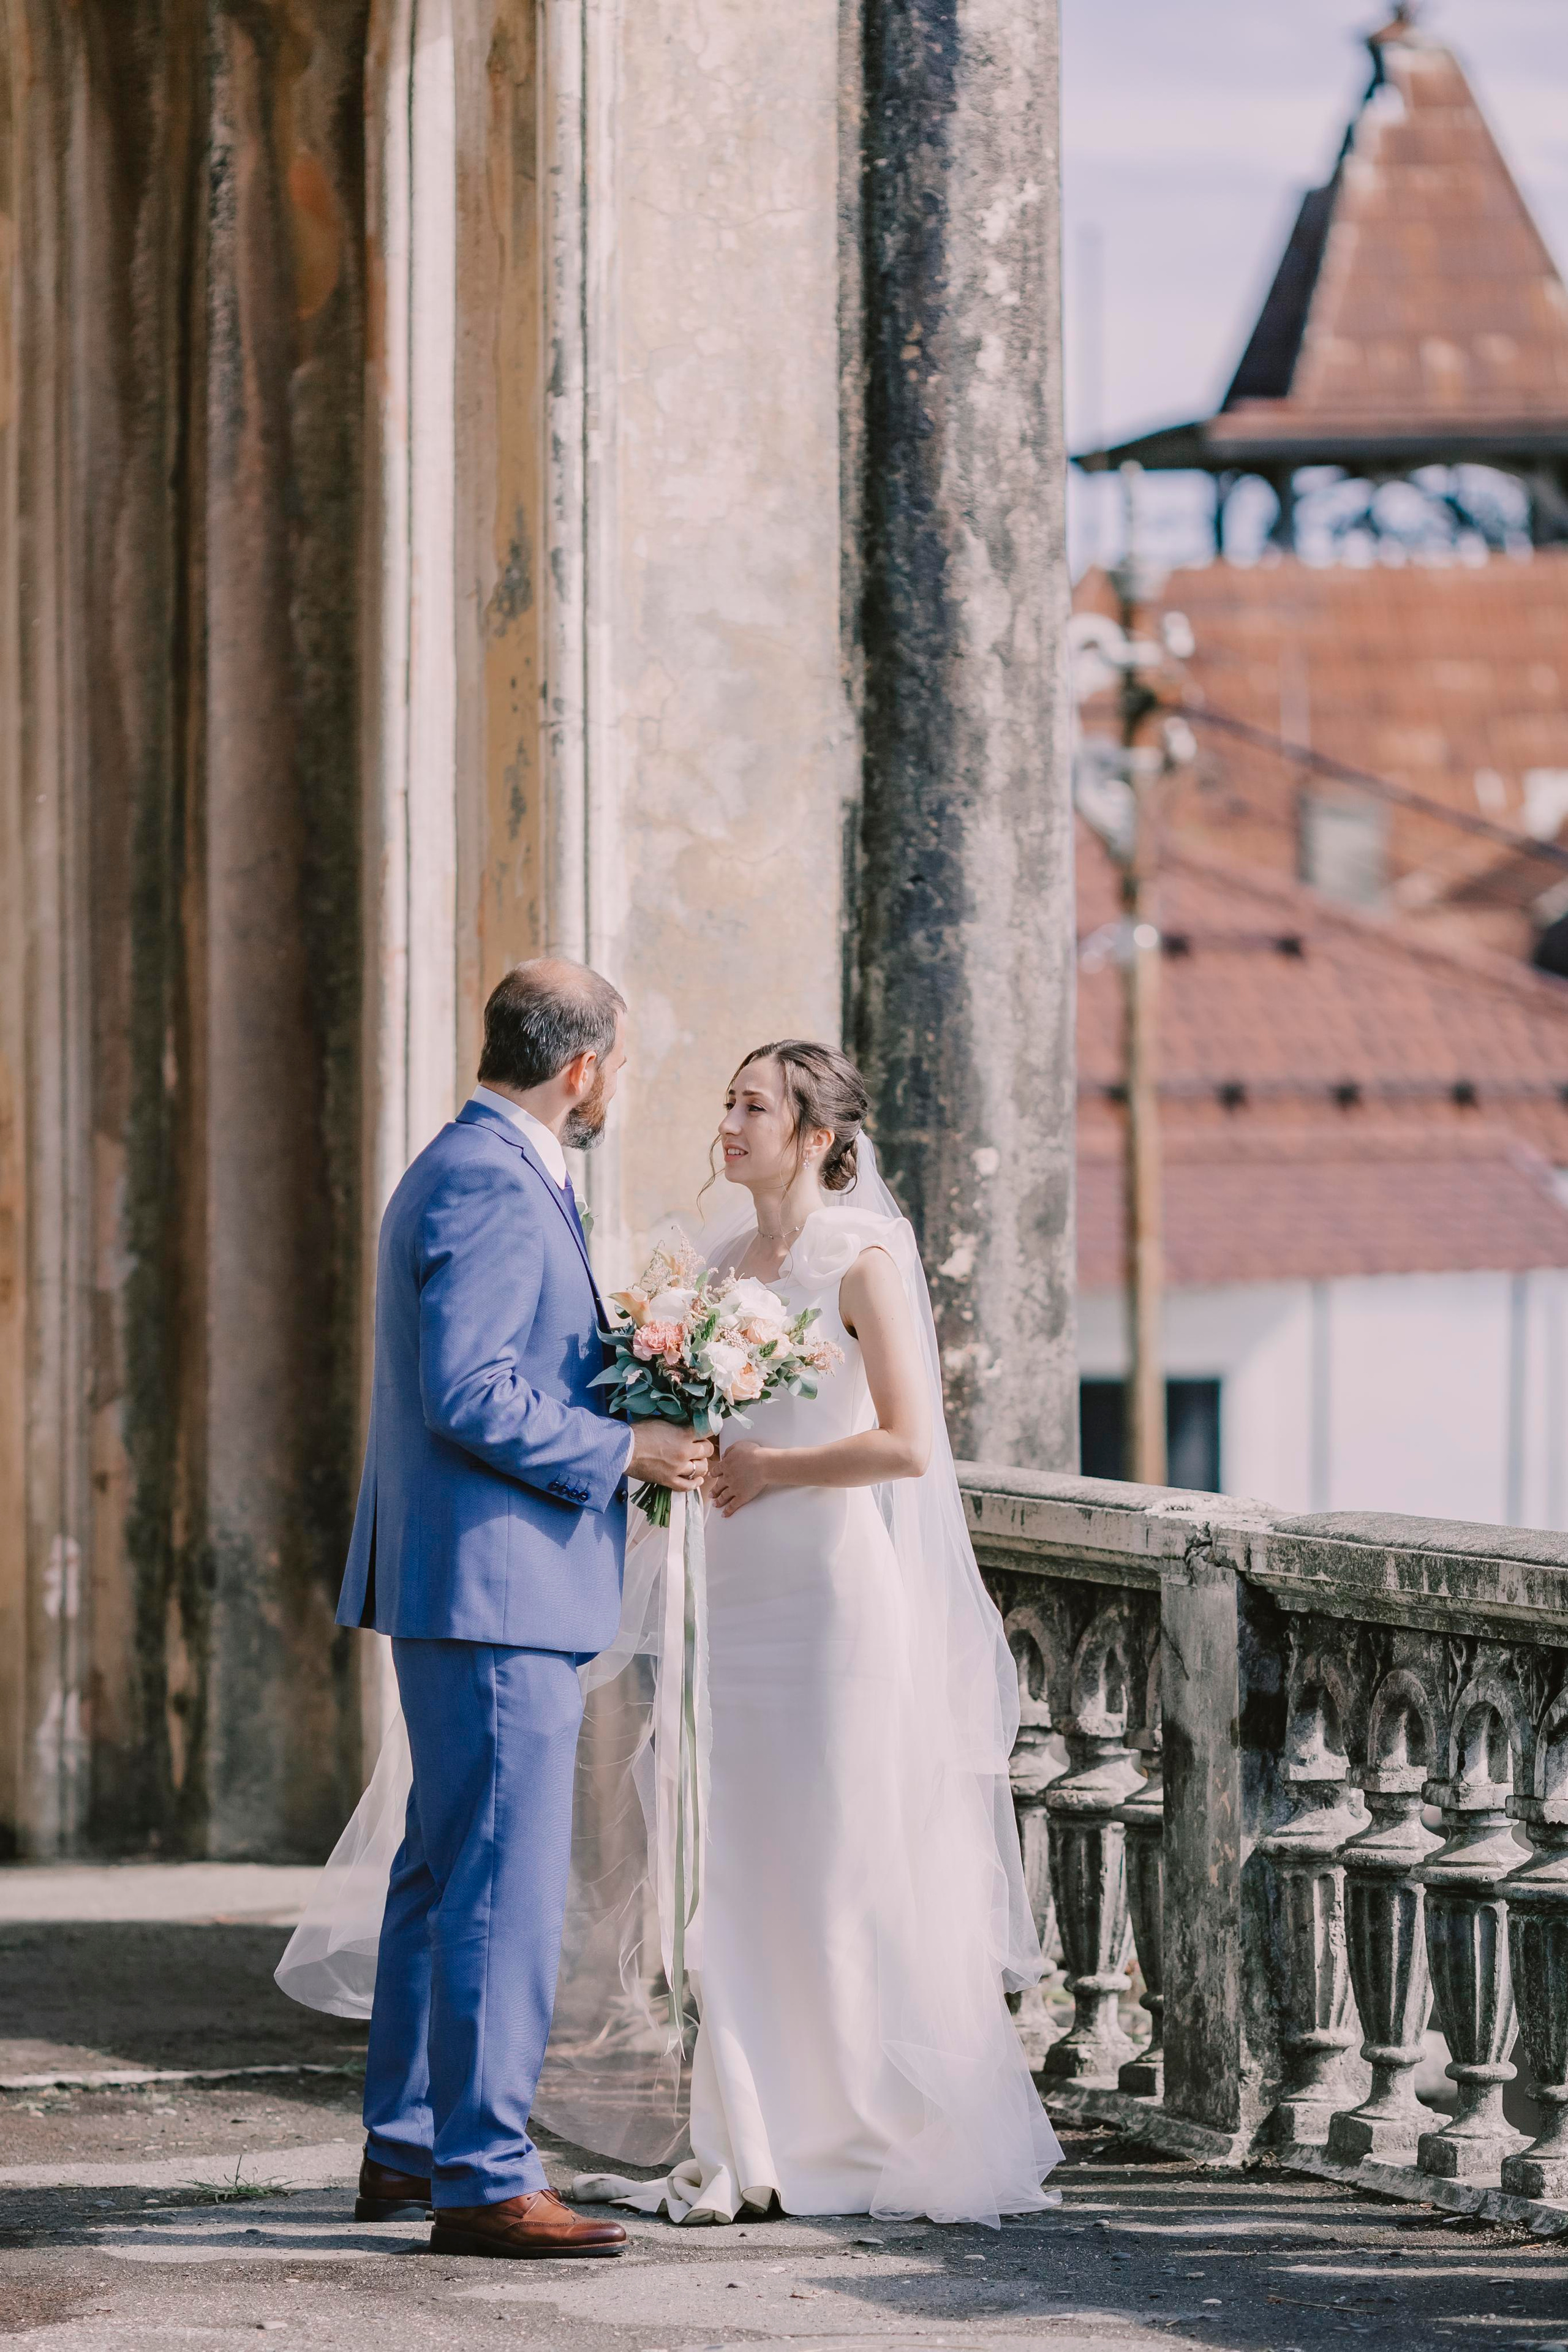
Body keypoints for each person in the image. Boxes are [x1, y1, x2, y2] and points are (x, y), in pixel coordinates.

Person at [564, 1042, 1062, 2225]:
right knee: (730, 1868)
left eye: (755, 1107)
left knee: (834, 1865)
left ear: (818, 1138)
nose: (728, 1123)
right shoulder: (723, 1266)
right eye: (726, 1102)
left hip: (830, 1607)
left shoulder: (863, 1260)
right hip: (727, 1605)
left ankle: (851, 2127)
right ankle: (750, 2130)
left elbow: (908, 1444)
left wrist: (774, 1467)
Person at [301, 959, 712, 2260]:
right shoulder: (488, 1175)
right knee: (502, 1885)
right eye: (618, 1068)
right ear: (581, 1068)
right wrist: (623, 1453)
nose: (615, 1091)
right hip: (493, 1587)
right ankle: (485, 2175)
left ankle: (411, 2148)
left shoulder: (478, 1162)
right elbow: (469, 1391)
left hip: (475, 1581)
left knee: (441, 1874)